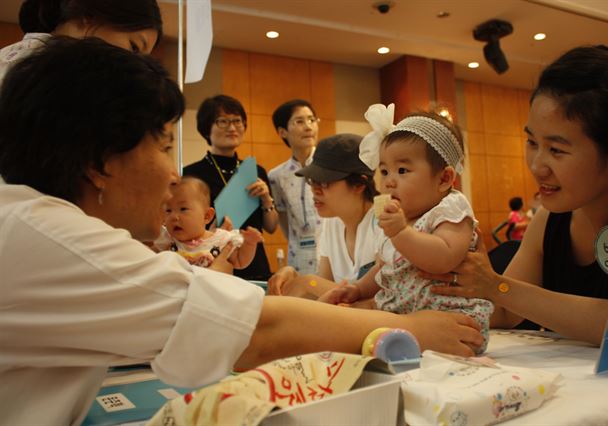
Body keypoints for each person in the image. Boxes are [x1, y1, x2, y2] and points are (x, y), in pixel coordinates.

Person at [0, 38, 483, 425]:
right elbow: (255, 330)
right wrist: (414, 328)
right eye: (164, 146)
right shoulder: (42, 234)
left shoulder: (30, 221)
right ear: (99, 162)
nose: (173, 174)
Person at [427, 45, 608, 346]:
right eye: (531, 142)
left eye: (557, 150)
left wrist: (496, 285)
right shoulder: (549, 220)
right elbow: (503, 311)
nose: (537, 166)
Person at [319, 106, 493, 353]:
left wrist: (401, 233)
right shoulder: (399, 220)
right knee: (348, 318)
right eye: (384, 171)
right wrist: (357, 288)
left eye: (402, 171)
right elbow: (383, 269)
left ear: (444, 179)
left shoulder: (450, 208)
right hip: (403, 316)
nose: (389, 181)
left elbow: (444, 257)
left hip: (451, 323)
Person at [267, 133, 382, 298]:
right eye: (312, 181)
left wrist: (305, 283)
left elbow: (381, 300)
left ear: (359, 184)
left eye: (324, 182)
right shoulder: (332, 223)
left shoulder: (385, 221)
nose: (315, 190)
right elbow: (323, 287)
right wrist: (294, 278)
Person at [183, 95, 279, 281]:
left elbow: (271, 226)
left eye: (237, 121)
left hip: (255, 264)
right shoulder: (191, 175)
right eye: (223, 122)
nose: (233, 128)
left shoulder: (255, 171)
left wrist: (266, 199)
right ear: (206, 129)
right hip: (214, 264)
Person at [0, 0, 162, 83]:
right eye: (133, 47)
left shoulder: (26, 56)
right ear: (90, 18)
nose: (136, 66)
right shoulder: (49, 71)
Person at [155, 176, 262, 271]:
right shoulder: (167, 241)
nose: (174, 217)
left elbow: (239, 261)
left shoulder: (220, 240)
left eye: (183, 209)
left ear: (207, 216)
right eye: (168, 211)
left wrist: (249, 243)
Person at [268, 99, 323, 275]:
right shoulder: (277, 176)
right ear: (282, 132)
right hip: (299, 256)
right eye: (299, 121)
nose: (308, 127)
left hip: (332, 252)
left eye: (312, 120)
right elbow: (283, 216)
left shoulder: (329, 166)